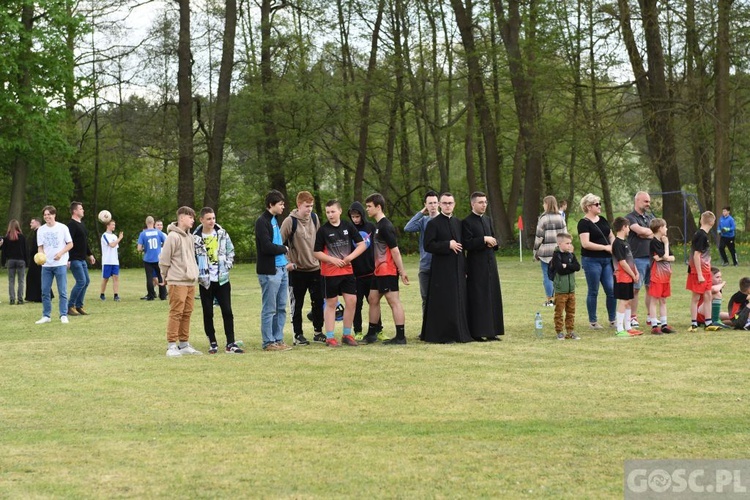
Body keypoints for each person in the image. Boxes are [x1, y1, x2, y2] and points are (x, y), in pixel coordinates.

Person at [313, 200, 367, 347]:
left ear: (340, 211)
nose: (330, 215)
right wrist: (331, 260)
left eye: (333, 211)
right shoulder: (323, 230)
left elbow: (362, 245)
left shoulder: (348, 226)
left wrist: (350, 257)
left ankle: (347, 334)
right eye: (328, 212)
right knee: (331, 304)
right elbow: (316, 252)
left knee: (352, 301)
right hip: (329, 273)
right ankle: (330, 337)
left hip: (347, 272)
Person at [420, 192, 472, 344]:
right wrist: (447, 244)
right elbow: (428, 245)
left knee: (458, 300)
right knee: (444, 302)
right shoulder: (433, 224)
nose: (448, 205)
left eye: (450, 203)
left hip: (457, 268)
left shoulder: (458, 223)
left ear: (454, 204)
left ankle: (459, 333)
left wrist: (465, 269)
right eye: (445, 203)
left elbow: (463, 248)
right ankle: (443, 335)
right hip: (441, 270)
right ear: (440, 205)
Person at [193, 207, 243, 354]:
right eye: (208, 219)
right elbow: (192, 257)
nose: (212, 221)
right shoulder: (195, 238)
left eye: (213, 218)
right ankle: (213, 342)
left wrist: (227, 265)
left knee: (227, 311)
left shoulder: (221, 233)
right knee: (208, 312)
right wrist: (197, 272)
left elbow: (230, 250)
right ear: (201, 219)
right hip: (205, 281)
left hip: (222, 279)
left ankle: (231, 343)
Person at [363, 193, 409, 345]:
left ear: (378, 207)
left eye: (369, 206)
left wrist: (402, 271)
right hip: (378, 271)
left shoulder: (385, 226)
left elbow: (395, 250)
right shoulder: (378, 226)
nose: (367, 209)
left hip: (387, 271)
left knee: (393, 301)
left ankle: (401, 337)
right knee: (372, 298)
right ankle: (371, 334)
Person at [280, 191, 323, 346]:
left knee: (318, 301)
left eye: (311, 206)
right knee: (296, 304)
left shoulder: (314, 218)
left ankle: (318, 332)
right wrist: (287, 262)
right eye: (306, 206)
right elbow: (279, 244)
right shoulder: (289, 222)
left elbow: (319, 240)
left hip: (315, 268)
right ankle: (298, 334)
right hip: (297, 271)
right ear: (299, 205)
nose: (309, 209)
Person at [159, 206, 202, 357]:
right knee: (176, 312)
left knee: (187, 313)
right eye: (190, 217)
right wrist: (164, 276)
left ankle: (184, 344)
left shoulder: (190, 237)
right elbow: (164, 259)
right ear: (182, 217)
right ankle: (171, 345)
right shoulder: (172, 236)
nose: (193, 220)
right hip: (177, 280)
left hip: (190, 281)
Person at [462, 191, 504, 341]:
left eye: (485, 202)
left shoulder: (487, 220)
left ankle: (493, 331)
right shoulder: (467, 222)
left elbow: (493, 238)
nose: (484, 205)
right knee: (479, 297)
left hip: (490, 263)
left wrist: (493, 241)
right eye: (480, 202)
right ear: (473, 204)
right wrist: (483, 239)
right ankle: (478, 332)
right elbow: (466, 243)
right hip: (476, 265)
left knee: (492, 296)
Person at [255, 190, 292, 351]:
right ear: (271, 205)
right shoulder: (262, 222)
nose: (283, 206)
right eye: (280, 204)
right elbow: (266, 246)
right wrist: (284, 248)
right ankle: (268, 342)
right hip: (270, 271)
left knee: (281, 306)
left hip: (282, 268)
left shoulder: (275, 220)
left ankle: (278, 339)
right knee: (269, 308)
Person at [577, 193, 616, 330]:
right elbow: (585, 244)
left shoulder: (603, 220)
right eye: (596, 204)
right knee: (593, 291)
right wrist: (605, 247)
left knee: (611, 289)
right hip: (591, 260)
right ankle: (593, 321)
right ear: (588, 207)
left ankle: (613, 319)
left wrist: (615, 246)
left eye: (600, 203)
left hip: (607, 260)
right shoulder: (583, 223)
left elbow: (611, 236)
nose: (600, 206)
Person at [348, 201, 383, 340]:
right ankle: (357, 331)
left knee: (374, 302)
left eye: (357, 216)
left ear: (362, 215)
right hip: (355, 275)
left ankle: (378, 330)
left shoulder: (371, 227)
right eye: (353, 217)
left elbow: (377, 246)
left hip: (371, 273)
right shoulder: (348, 229)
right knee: (357, 304)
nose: (355, 219)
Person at [35, 206, 73, 324]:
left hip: (60, 264)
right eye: (45, 215)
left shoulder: (62, 228)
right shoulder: (41, 230)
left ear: (54, 215)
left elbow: (70, 244)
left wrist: (60, 254)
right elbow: (40, 247)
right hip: (46, 266)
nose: (47, 216)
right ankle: (46, 315)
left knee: (62, 291)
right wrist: (40, 256)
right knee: (45, 291)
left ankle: (63, 315)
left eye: (49, 214)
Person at [403, 190, 439, 314]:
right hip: (425, 265)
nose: (433, 206)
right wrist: (420, 213)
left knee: (440, 298)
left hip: (440, 265)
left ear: (439, 204)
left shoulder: (443, 220)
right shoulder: (423, 220)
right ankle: (426, 329)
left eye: (435, 203)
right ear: (425, 204)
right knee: (425, 298)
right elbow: (408, 228)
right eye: (430, 203)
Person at [687, 211, 722, 332]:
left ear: (701, 220)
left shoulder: (704, 235)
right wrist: (700, 274)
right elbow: (696, 256)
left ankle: (708, 322)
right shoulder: (700, 235)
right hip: (698, 272)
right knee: (696, 297)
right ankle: (694, 323)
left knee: (707, 295)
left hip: (706, 272)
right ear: (712, 223)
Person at [625, 191, 655, 328]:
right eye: (646, 201)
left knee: (651, 288)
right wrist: (647, 232)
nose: (648, 204)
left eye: (649, 201)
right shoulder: (630, 218)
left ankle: (651, 316)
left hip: (652, 257)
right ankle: (633, 316)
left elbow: (658, 232)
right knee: (635, 289)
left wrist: (648, 233)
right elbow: (641, 231)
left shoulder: (650, 217)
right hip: (637, 258)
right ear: (637, 201)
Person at [533, 195, 567, 307]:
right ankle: (560, 299)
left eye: (544, 203)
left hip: (545, 252)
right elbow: (565, 236)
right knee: (558, 276)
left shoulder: (543, 218)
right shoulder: (560, 218)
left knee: (547, 276)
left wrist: (535, 251)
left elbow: (539, 237)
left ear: (546, 204)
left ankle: (550, 300)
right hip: (558, 252)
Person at [612, 217, 642, 337]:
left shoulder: (625, 242)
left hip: (629, 276)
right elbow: (622, 262)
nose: (629, 229)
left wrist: (636, 271)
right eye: (628, 227)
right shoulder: (617, 243)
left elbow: (630, 259)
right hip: (622, 277)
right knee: (623, 301)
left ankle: (628, 327)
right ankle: (619, 328)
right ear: (624, 227)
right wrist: (632, 274)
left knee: (629, 301)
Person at [647, 218, 676, 334]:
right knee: (654, 300)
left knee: (663, 300)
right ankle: (654, 325)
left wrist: (665, 256)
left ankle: (664, 324)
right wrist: (666, 245)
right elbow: (665, 255)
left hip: (666, 275)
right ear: (659, 228)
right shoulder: (654, 242)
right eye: (665, 227)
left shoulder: (663, 241)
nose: (667, 229)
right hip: (657, 275)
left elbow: (671, 257)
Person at [67, 201, 96, 316]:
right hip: (74, 259)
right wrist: (67, 259)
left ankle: (79, 306)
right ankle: (70, 306)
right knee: (81, 281)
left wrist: (90, 254)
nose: (83, 210)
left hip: (82, 259)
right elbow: (67, 242)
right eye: (80, 209)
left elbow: (84, 242)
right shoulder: (71, 225)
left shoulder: (81, 224)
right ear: (75, 211)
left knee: (86, 281)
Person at [549, 233, 580, 340]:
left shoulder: (571, 255)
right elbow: (560, 270)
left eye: (570, 243)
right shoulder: (556, 255)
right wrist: (569, 268)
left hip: (571, 289)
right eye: (567, 243)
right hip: (560, 290)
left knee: (571, 312)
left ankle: (570, 331)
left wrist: (567, 265)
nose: (569, 245)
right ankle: (559, 331)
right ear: (559, 243)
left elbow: (577, 267)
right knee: (559, 312)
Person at [137, 216, 167, 301]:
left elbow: (139, 248)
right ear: (153, 223)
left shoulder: (143, 234)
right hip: (158, 258)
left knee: (149, 278)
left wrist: (144, 249)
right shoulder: (158, 232)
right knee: (160, 276)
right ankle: (163, 295)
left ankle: (151, 295)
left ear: (146, 223)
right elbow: (166, 242)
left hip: (148, 259)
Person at [2, 219, 28, 305]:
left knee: (11, 280)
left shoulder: (6, 238)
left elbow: (4, 251)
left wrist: (3, 262)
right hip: (21, 260)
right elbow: (25, 250)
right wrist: (27, 262)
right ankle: (20, 299)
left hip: (11, 261)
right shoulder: (22, 237)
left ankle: (12, 299)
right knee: (21, 280)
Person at [99, 220, 123, 302]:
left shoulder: (115, 236)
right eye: (112, 224)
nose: (114, 226)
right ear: (107, 226)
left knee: (116, 277)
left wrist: (118, 238)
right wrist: (119, 238)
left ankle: (116, 295)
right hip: (107, 261)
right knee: (106, 278)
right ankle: (102, 293)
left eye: (114, 224)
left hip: (114, 261)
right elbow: (112, 245)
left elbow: (115, 247)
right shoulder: (104, 236)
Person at [25, 217, 45, 303]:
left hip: (38, 258)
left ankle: (36, 296)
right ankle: (35, 296)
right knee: (35, 277)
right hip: (36, 257)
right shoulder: (36, 232)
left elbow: (37, 246)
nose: (30, 224)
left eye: (32, 222)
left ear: (37, 223)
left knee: (35, 276)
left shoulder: (39, 232)